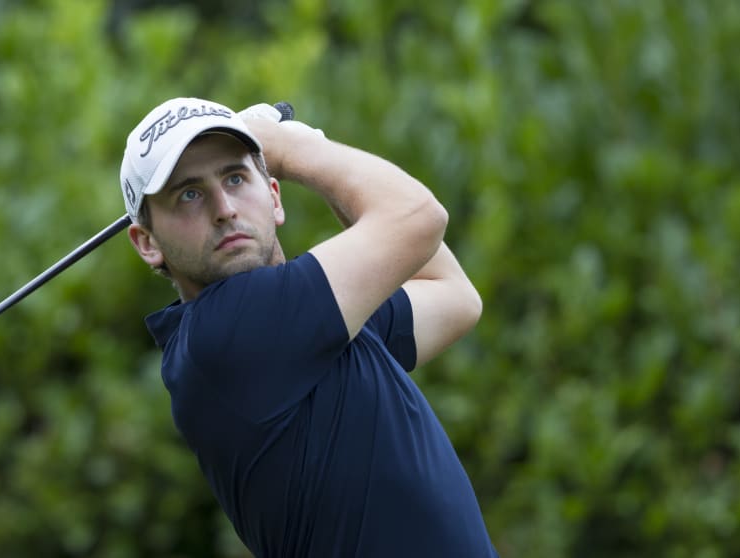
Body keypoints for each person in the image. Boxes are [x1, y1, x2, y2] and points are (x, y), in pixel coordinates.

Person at [120, 97, 498, 557]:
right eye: (189, 194)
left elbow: (455, 295)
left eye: (236, 177)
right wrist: (291, 147)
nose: (224, 208)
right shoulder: (227, 332)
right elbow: (418, 218)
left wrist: (303, 151)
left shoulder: (309, 323)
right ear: (147, 243)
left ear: (274, 197)